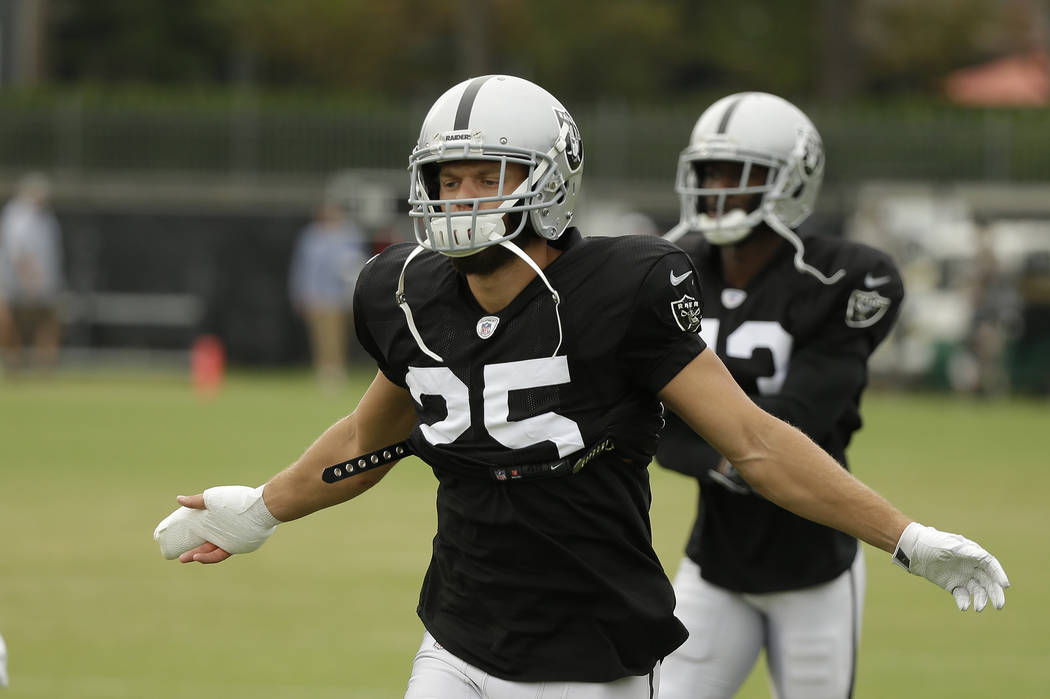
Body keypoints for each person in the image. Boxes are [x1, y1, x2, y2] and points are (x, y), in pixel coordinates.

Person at [153, 76, 1009, 699]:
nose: (458, 199)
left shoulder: (622, 288)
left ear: (548, 179)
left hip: (587, 654)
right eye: (445, 179)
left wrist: (905, 536)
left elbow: (753, 442)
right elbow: (364, 439)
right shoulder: (403, 289)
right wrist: (263, 508)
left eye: (483, 175)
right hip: (456, 635)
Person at [658, 92, 904, 699]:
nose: (716, 189)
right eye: (708, 172)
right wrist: (722, 453)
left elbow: (800, 419)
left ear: (791, 181)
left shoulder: (847, 276)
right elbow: (649, 422)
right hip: (714, 562)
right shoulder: (670, 270)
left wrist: (713, 446)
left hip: (814, 568)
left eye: (737, 174)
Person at [288, 199, 370, 390]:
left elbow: (359, 263)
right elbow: (303, 267)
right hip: (317, 295)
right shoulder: (310, 236)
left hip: (340, 296)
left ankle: (337, 368)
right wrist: (301, 293)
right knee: (320, 335)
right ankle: (324, 369)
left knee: (337, 335)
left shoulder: (350, 234)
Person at [0, 173, 65, 372]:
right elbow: (18, 251)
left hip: (46, 281)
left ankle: (44, 364)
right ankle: (12, 361)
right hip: (16, 280)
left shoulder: (46, 218)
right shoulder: (17, 215)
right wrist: (29, 279)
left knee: (49, 319)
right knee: (9, 317)